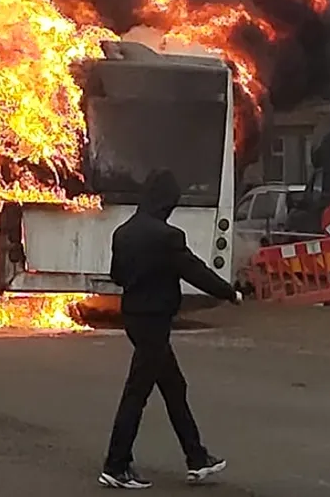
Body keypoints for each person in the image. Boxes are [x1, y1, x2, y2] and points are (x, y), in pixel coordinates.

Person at [98, 168, 242, 490]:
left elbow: (117, 276)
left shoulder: (123, 232)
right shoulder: (168, 237)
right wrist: (228, 292)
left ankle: (196, 457)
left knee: (174, 387)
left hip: (134, 318)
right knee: (137, 393)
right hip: (155, 321)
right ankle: (116, 464)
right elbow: (195, 272)